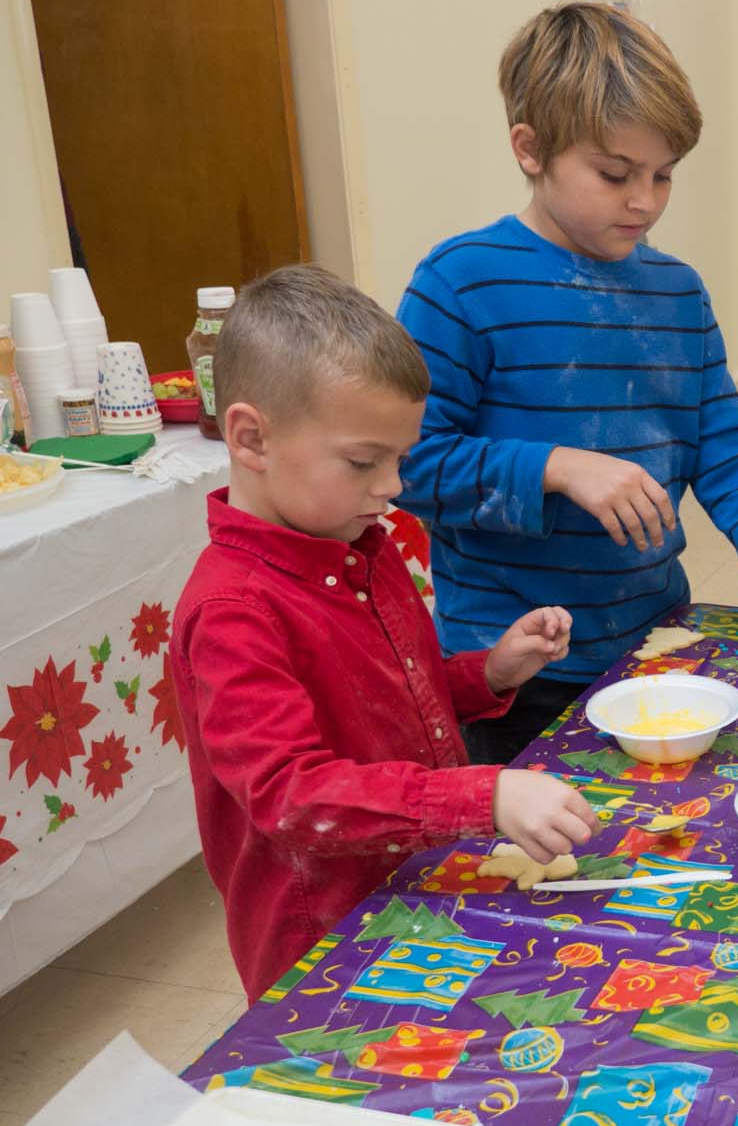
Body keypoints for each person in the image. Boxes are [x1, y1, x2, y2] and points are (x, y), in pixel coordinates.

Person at [395, 2, 738, 763]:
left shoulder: (677, 292)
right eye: (615, 174)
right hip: (513, 671)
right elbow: (409, 466)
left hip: (655, 646)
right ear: (530, 150)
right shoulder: (458, 283)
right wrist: (557, 467)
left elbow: (725, 453)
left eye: (663, 175)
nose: (645, 200)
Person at [169, 266, 601, 1001]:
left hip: (417, 886)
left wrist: (488, 673)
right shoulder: (234, 610)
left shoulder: (361, 541)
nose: (394, 486)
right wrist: (483, 796)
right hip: (322, 939)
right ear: (250, 437)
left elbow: (399, 698)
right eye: (365, 462)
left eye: (401, 459)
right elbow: (292, 795)